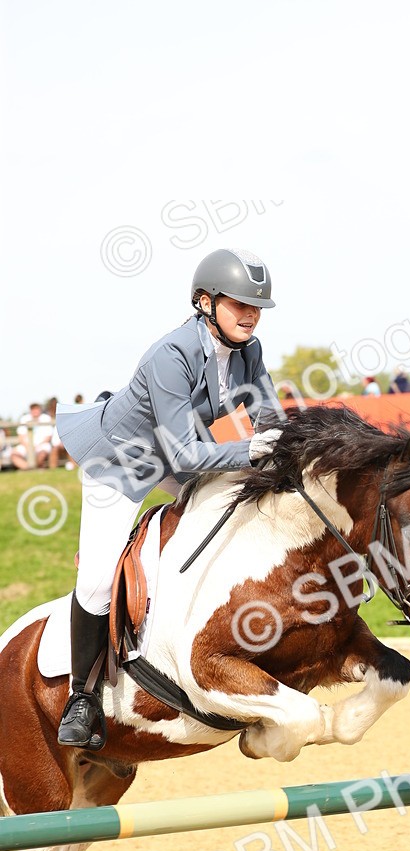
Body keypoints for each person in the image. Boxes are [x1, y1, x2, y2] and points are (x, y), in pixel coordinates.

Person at [55, 247, 281, 750]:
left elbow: (270, 417)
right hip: (122, 461)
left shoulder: (250, 350)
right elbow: (188, 450)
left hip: (177, 457)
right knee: (95, 578)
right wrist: (250, 448)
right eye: (238, 303)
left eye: (256, 306)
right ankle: (81, 699)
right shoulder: (172, 354)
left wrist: (290, 449)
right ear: (205, 302)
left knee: (241, 507)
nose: (250, 314)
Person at [11, 401, 53, 469]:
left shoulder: (46, 418)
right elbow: (21, 437)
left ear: (40, 410)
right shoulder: (24, 418)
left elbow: (48, 437)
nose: (35, 411)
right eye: (33, 409)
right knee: (14, 454)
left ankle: (32, 468)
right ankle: (29, 468)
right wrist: (28, 447)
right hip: (26, 446)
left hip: (41, 445)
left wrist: (36, 446)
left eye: (36, 409)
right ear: (30, 410)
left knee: (42, 454)